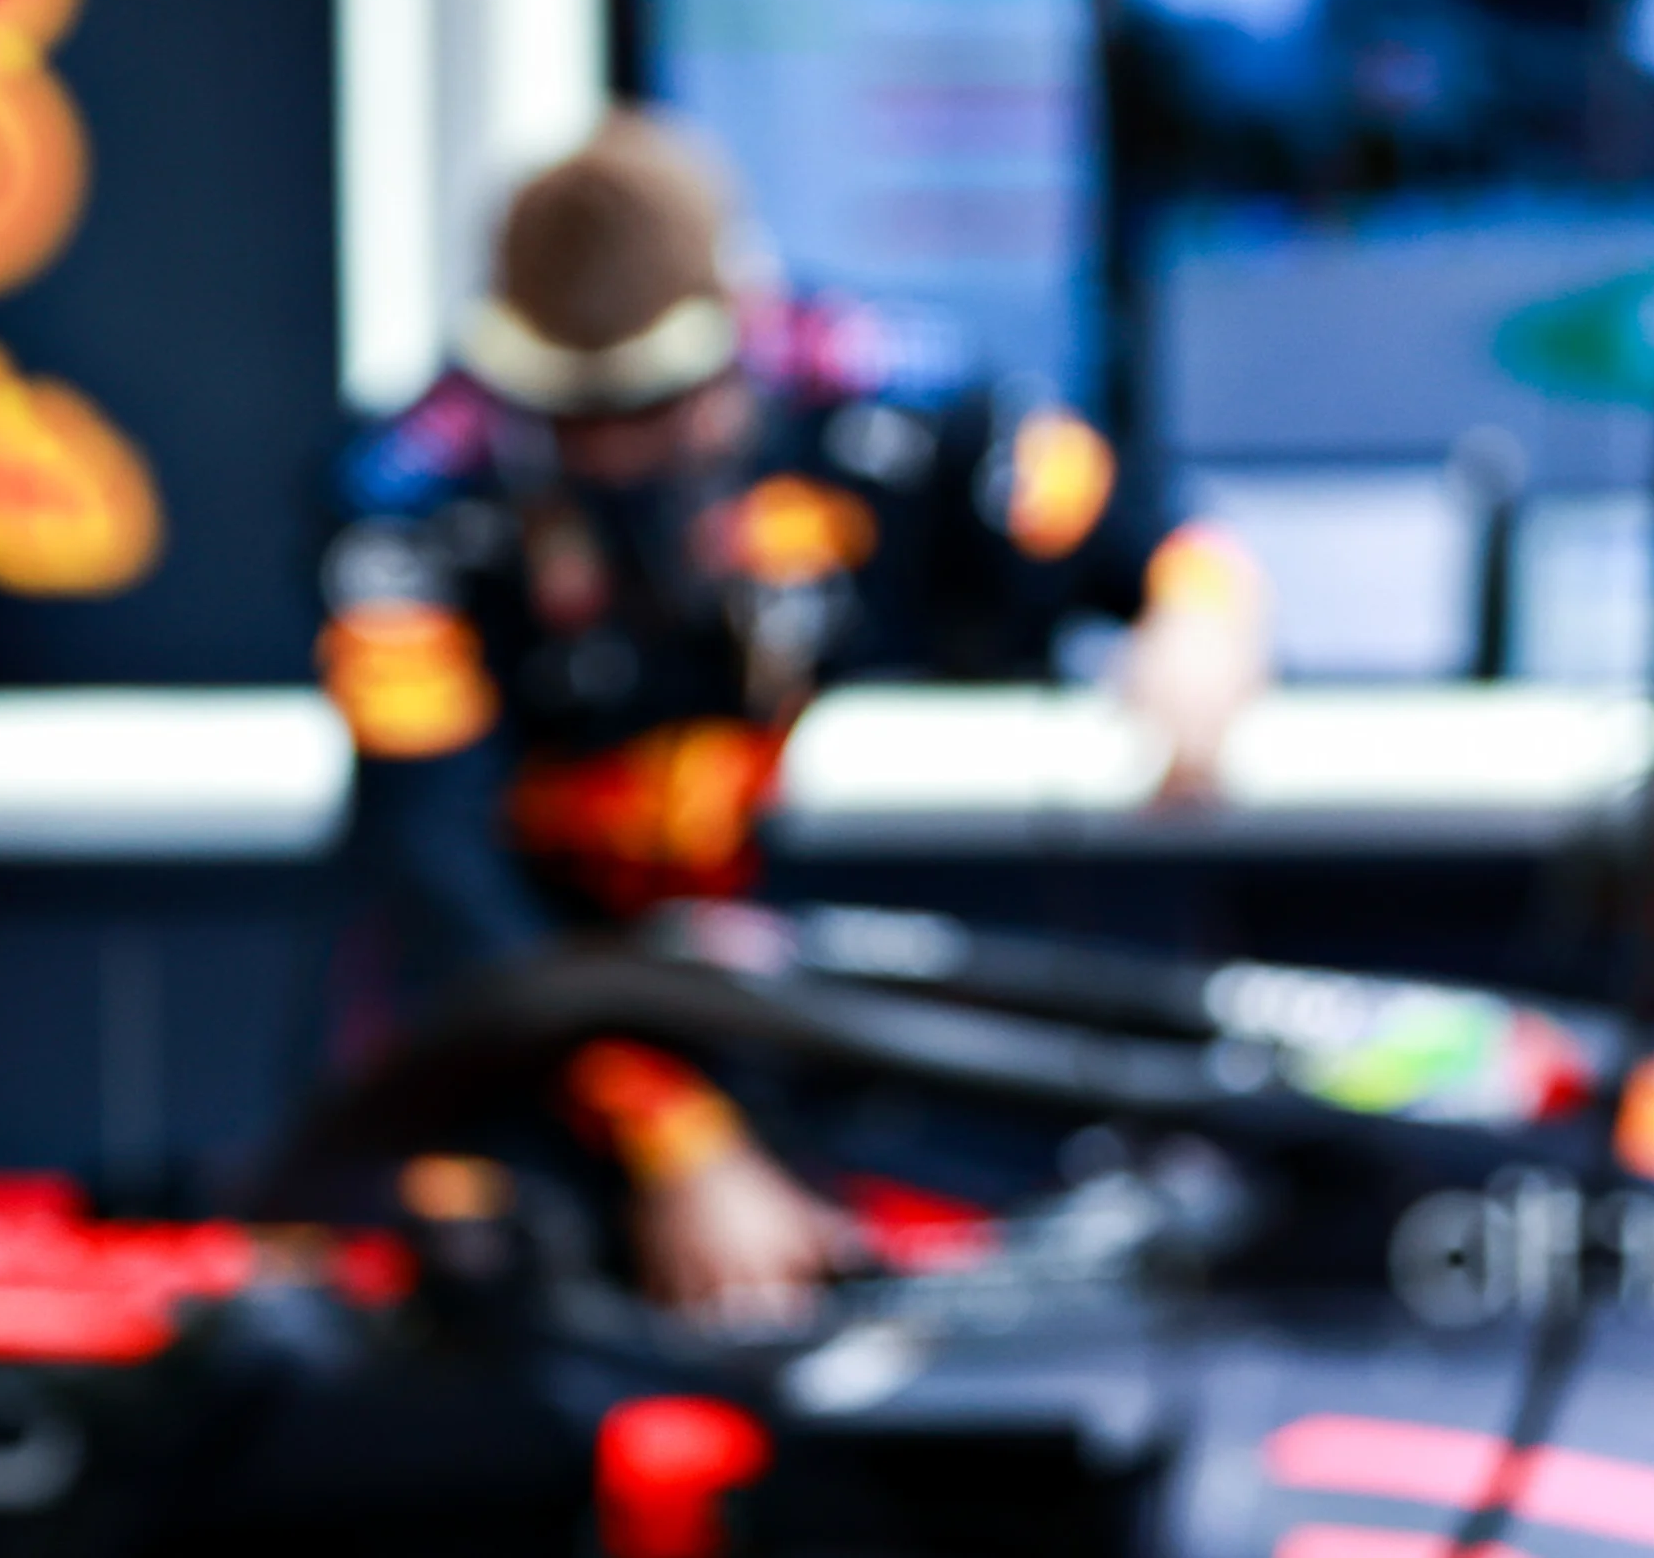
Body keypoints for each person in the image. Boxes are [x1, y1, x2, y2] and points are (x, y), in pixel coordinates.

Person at [314, 113, 1266, 1323]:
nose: (611, 452)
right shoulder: (407, 504)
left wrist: (1202, 612)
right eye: (568, 412)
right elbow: (442, 873)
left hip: (816, 1029)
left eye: (653, 404)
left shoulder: (883, 405)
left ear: (739, 333)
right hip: (514, 1050)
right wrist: (680, 1141)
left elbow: (1147, 526)